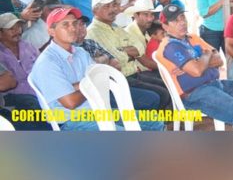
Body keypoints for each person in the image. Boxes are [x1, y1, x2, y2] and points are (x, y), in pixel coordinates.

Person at [29, 7, 164, 131]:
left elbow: (101, 81)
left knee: (154, 121)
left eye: (75, 23)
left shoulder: (80, 52)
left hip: (98, 110)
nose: (73, 28)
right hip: (72, 120)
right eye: (65, 24)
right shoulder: (47, 62)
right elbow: (71, 102)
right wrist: (88, 84)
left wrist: (78, 86)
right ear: (51, 31)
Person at [86, 0, 171, 110]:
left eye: (114, 5)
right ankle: (148, 125)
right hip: (117, 80)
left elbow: (139, 48)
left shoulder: (116, 28)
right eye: (107, 6)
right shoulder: (93, 32)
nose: (113, 9)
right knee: (157, 96)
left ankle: (156, 124)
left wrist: (124, 51)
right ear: (95, 10)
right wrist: (128, 53)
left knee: (166, 88)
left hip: (132, 74)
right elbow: (115, 58)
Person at [0, 12, 45, 125]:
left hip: (39, 88)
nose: (17, 31)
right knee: (35, 107)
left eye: (19, 27)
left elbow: (43, 68)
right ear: (0, 33)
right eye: (11, 29)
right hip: (15, 96)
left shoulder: (28, 46)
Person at [123, 0, 159, 71]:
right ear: (136, 15)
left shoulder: (149, 29)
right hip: (140, 73)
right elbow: (146, 63)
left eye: (152, 14)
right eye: (145, 14)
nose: (150, 19)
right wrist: (168, 67)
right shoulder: (128, 34)